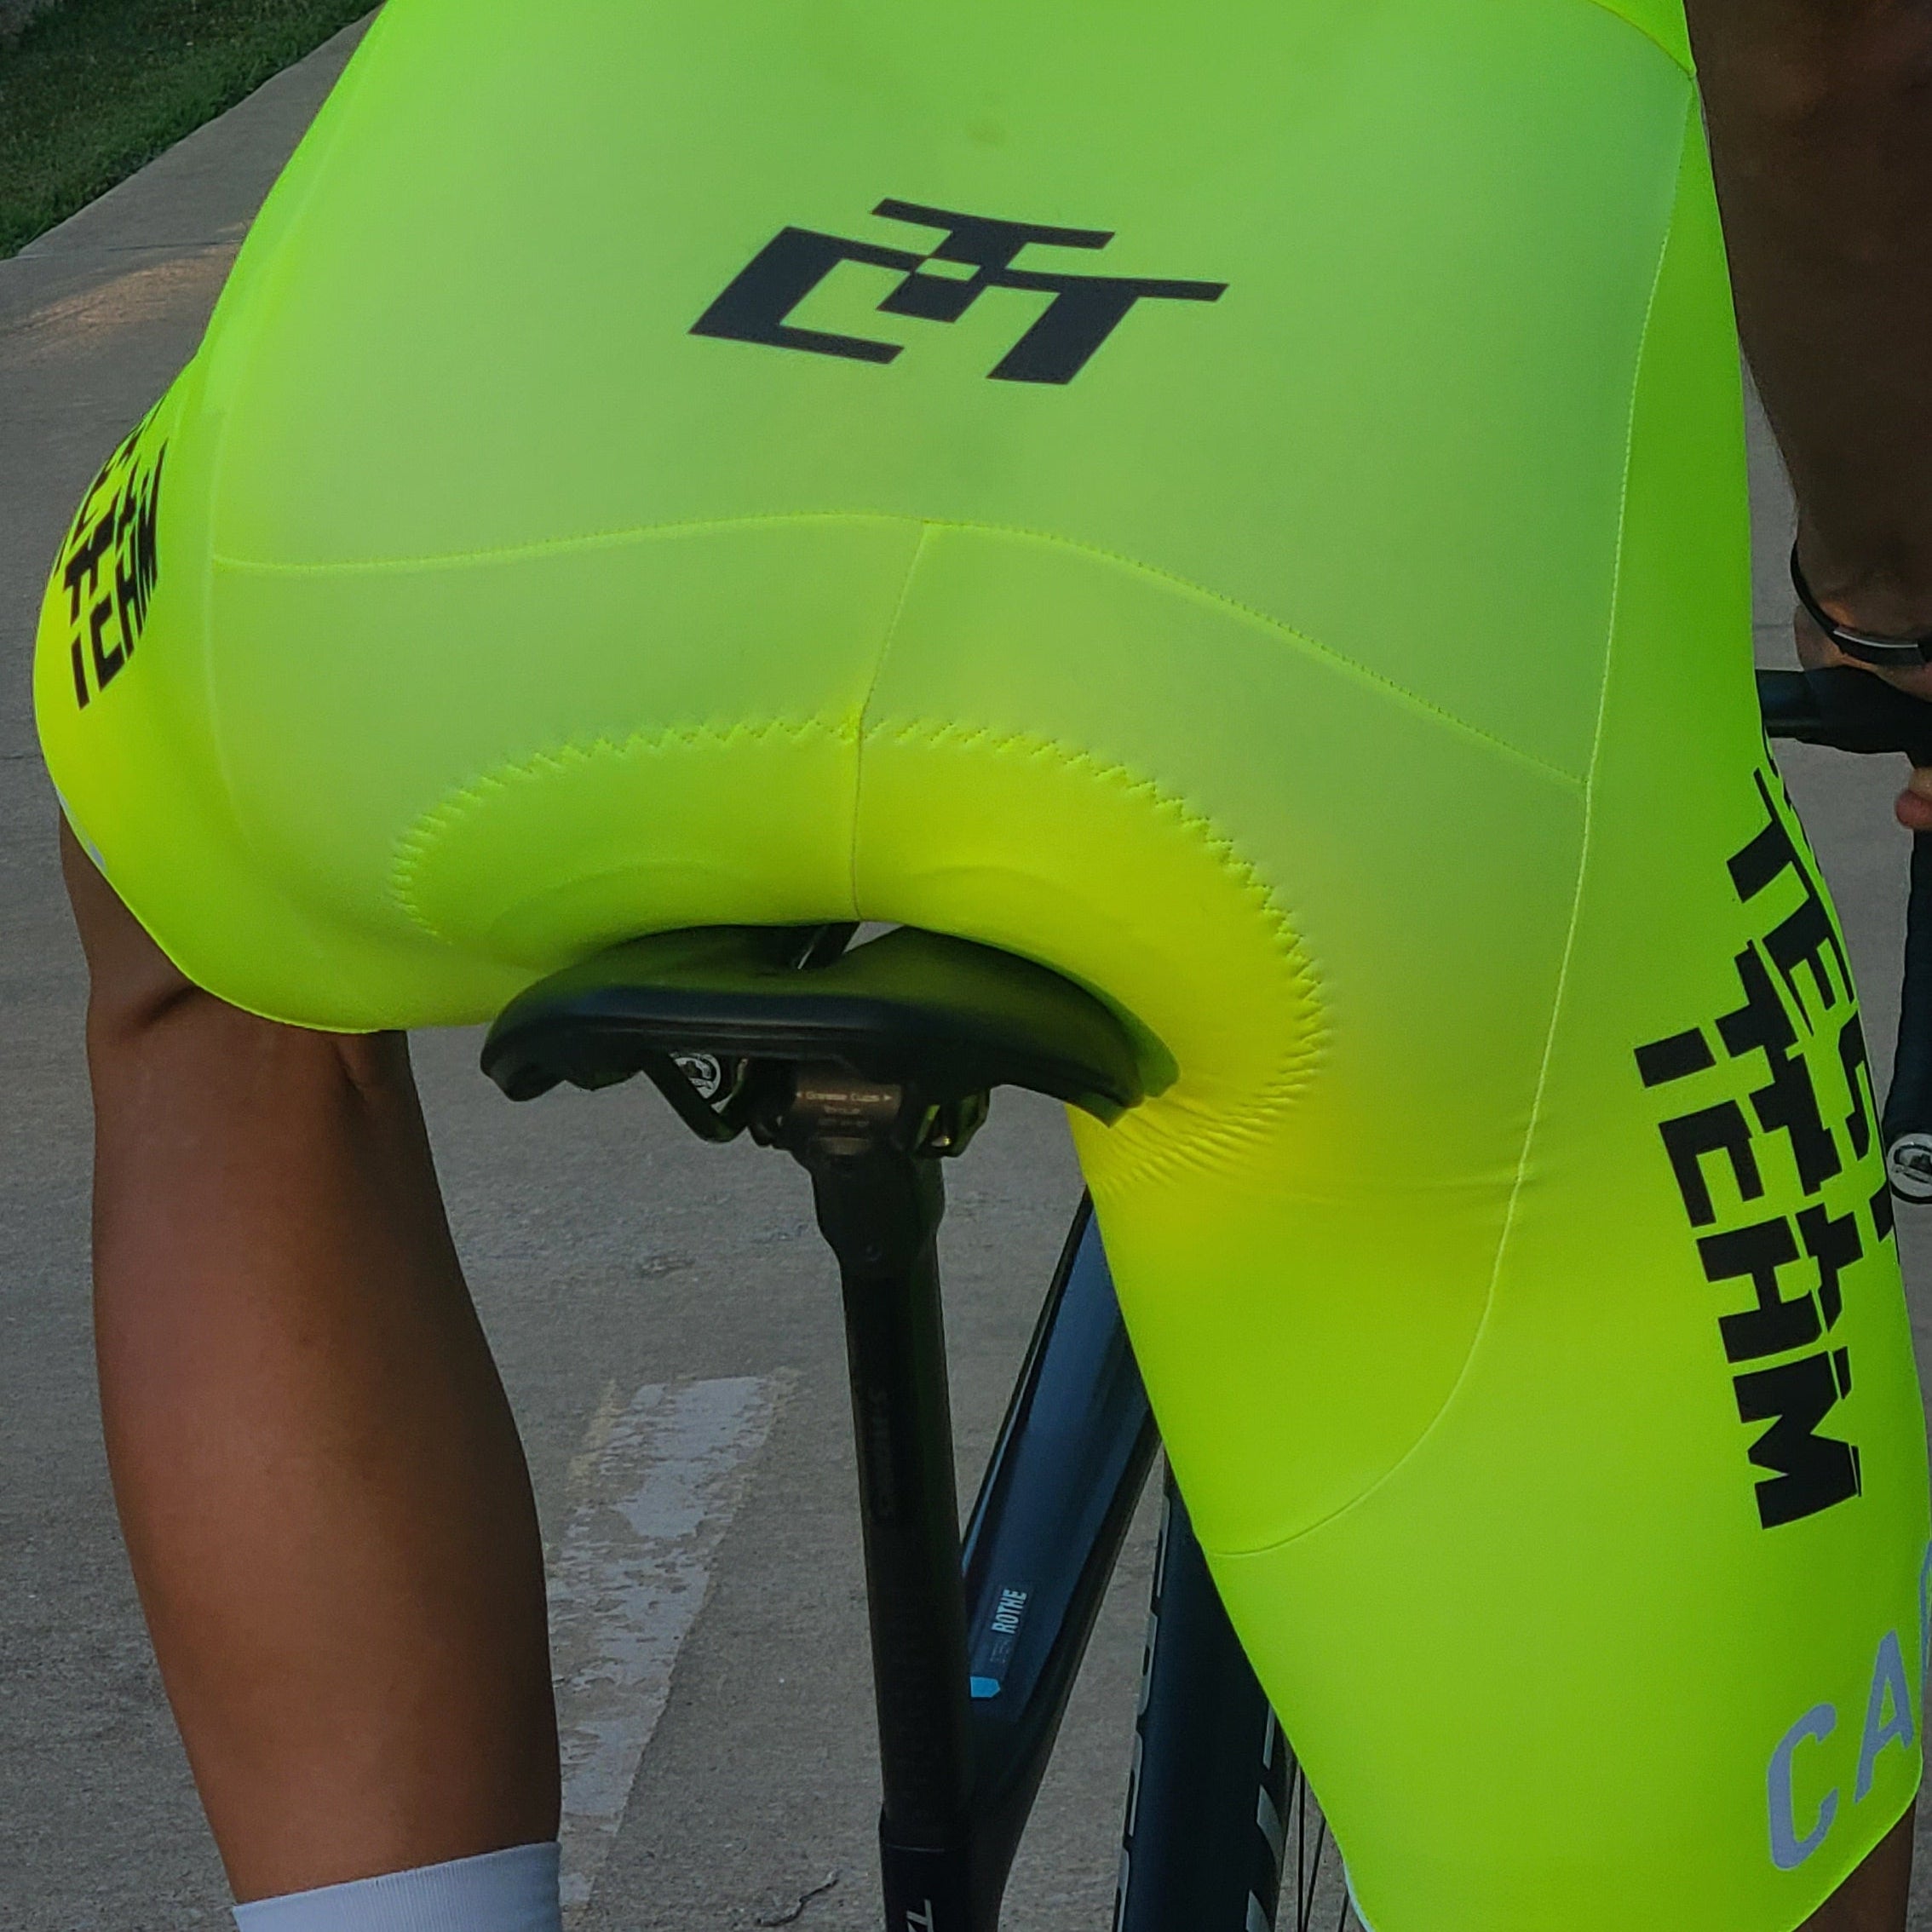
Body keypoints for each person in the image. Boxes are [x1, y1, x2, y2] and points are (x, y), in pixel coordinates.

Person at [33, 1, 1932, 1927]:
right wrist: (1895, 598)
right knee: (1613, 1280)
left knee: (196, 940)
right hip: (1302, 633)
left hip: (462, 525)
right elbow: (1837, 42)